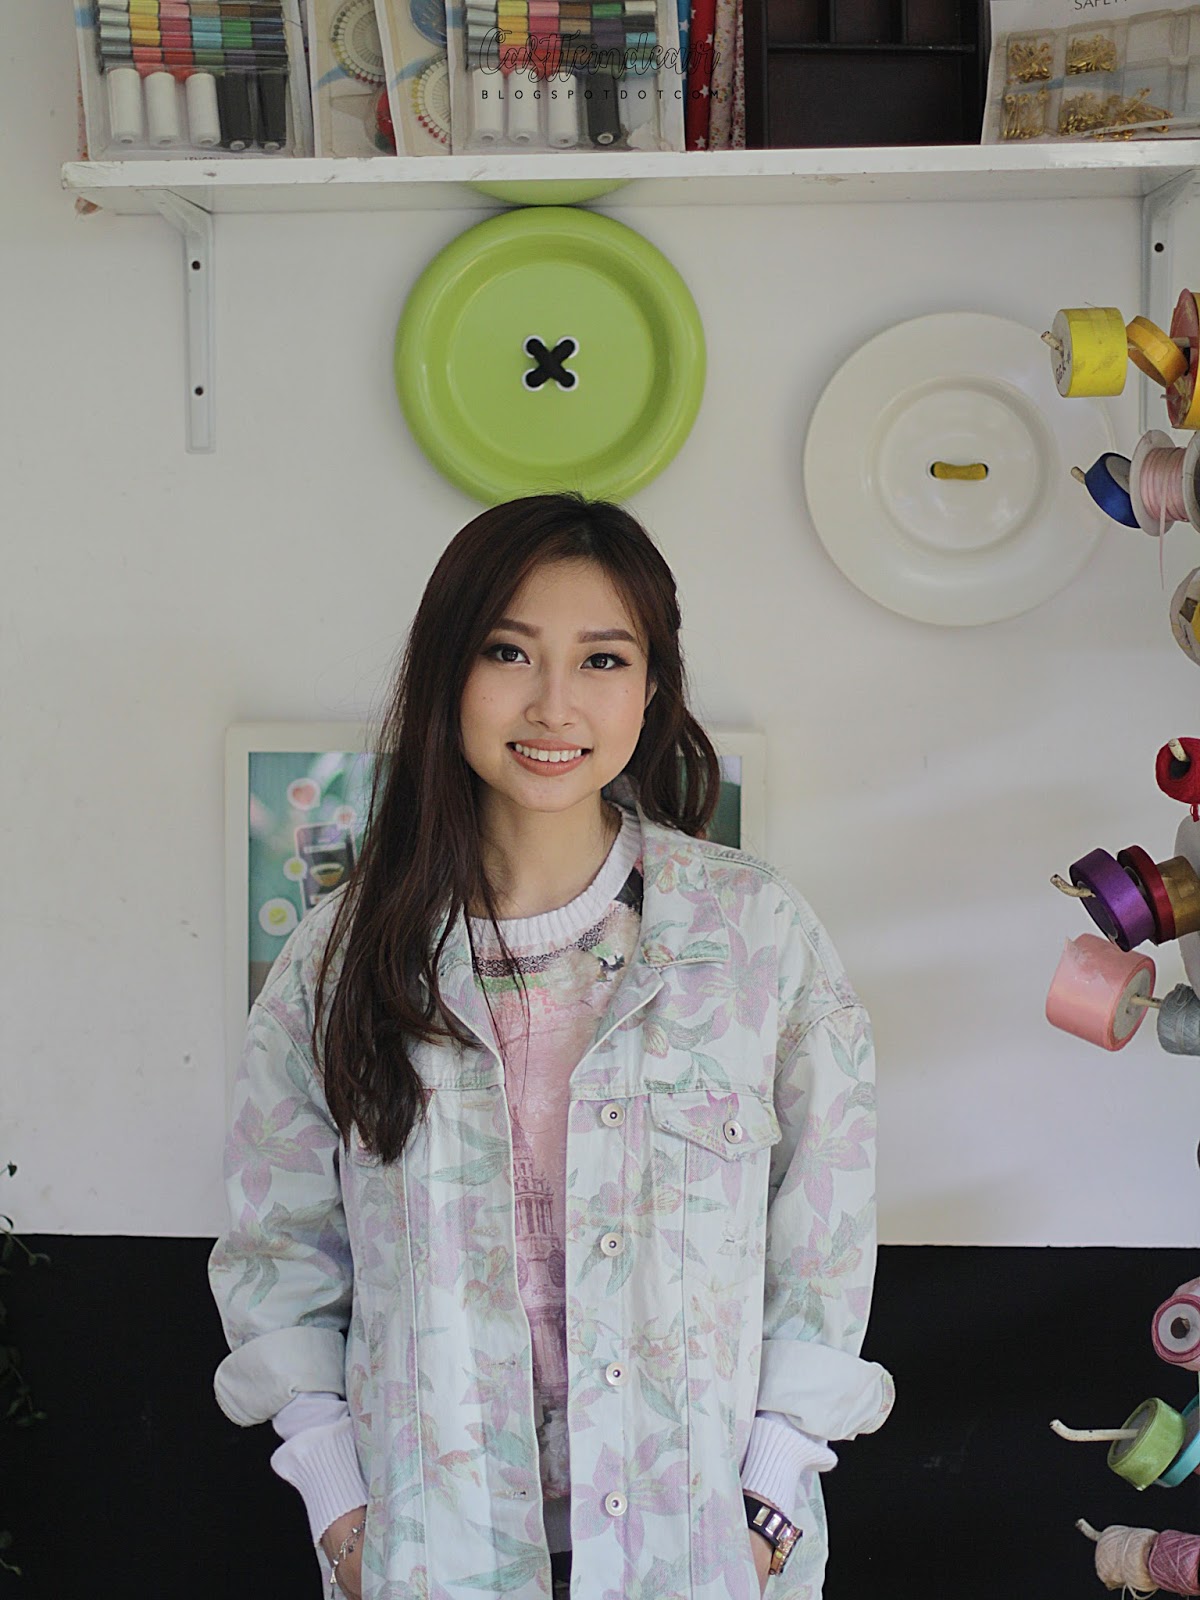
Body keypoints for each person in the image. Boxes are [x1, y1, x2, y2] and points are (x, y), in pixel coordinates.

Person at [208, 493, 893, 1600]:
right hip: (430, 1553)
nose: (554, 703)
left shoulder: (754, 936)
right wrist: (339, 1508)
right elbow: (277, 1251)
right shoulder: (342, 958)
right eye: (508, 651)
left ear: (652, 687)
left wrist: (768, 1502)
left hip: (699, 1551)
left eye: (603, 659)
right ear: (448, 671)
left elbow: (825, 1239)